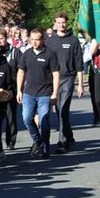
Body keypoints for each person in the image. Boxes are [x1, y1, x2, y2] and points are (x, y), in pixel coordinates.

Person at [17, 28, 60, 158]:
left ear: (43, 40)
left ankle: (45, 145)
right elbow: (21, 71)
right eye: (32, 40)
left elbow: (56, 74)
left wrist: (55, 93)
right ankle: (38, 140)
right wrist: (19, 90)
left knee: (44, 120)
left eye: (37, 40)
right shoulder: (27, 54)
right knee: (26, 118)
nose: (35, 42)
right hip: (29, 92)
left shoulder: (50, 54)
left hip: (45, 92)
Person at [45, 12, 83, 154]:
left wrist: (80, 84)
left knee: (63, 109)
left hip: (68, 78)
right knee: (59, 111)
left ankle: (62, 141)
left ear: (67, 23)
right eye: (59, 22)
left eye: (64, 22)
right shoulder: (49, 41)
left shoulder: (73, 40)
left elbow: (79, 63)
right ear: (54, 23)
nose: (61, 25)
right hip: (53, 80)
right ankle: (70, 137)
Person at [0, 27, 20, 150]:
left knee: (11, 117)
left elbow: (22, 70)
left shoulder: (15, 52)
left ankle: (11, 140)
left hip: (10, 89)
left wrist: (20, 88)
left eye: (1, 39)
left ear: (6, 38)